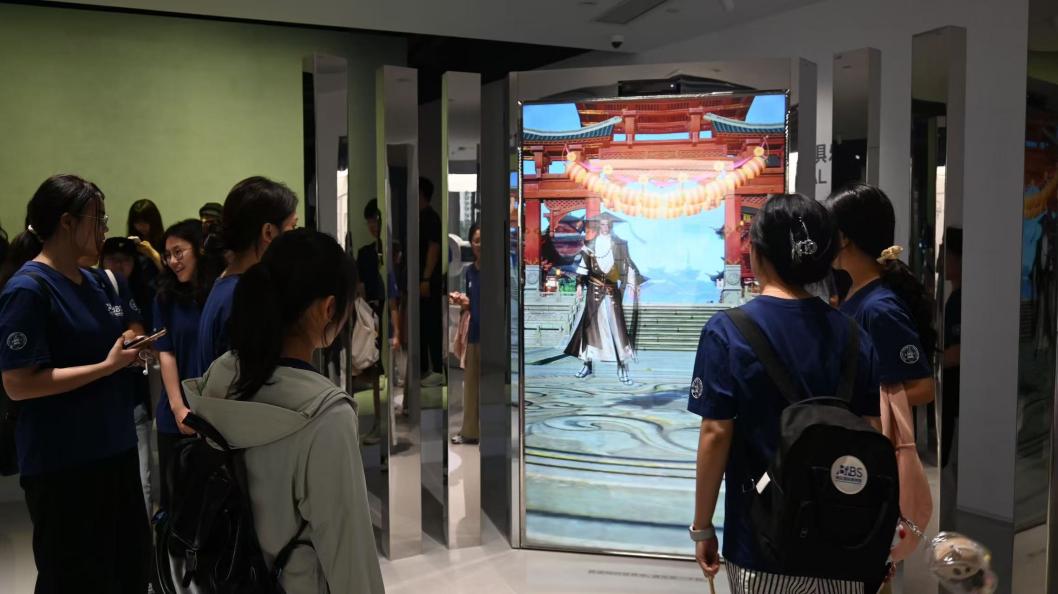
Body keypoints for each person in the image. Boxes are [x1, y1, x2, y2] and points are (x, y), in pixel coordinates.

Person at [689, 193, 881, 592]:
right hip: (843, 542)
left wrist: (702, 526)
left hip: (761, 542)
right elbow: (871, 431)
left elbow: (716, 433)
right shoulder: (854, 335)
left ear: (757, 253)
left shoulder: (727, 332)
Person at [183, 229, 384, 594]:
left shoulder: (220, 375)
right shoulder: (326, 415)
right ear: (328, 309)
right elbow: (350, 558)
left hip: (223, 578)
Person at [0, 174, 152, 593]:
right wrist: (106, 366)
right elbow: (18, 383)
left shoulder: (99, 282)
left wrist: (129, 348)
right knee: (74, 578)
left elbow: (112, 338)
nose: (104, 229)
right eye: (98, 219)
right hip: (64, 465)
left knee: (130, 570)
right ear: (67, 223)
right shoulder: (30, 289)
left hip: (116, 450)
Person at [826, 184, 936, 407]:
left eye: (827, 231)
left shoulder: (879, 308)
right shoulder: (859, 292)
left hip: (867, 428)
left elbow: (923, 388)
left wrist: (858, 401)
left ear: (843, 237)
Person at [193, 176, 298, 378]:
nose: (295, 237)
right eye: (292, 227)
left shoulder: (225, 285)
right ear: (268, 232)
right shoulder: (245, 296)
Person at [153, 219, 222, 510]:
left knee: (216, 507)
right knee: (178, 508)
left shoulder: (220, 292)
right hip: (177, 416)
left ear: (199, 249)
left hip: (218, 416)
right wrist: (178, 408)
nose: (173, 261)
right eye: (167, 255)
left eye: (179, 252)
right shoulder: (165, 297)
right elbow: (166, 353)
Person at [100, 236, 155, 514]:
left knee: (141, 480)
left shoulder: (142, 291)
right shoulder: (93, 287)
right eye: (113, 259)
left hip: (134, 397)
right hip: (98, 401)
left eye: (126, 260)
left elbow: (139, 335)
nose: (120, 265)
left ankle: (143, 538)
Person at [563, 212, 645, 384]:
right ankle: (587, 364)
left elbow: (628, 264)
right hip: (594, 291)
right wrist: (579, 285)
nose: (605, 227)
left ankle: (622, 368)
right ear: (598, 225)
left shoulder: (620, 244)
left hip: (612, 291)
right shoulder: (590, 245)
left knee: (617, 329)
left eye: (608, 225)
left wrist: (632, 284)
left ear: (611, 225)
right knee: (589, 328)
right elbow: (583, 267)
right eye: (602, 224)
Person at [451, 223, 481, 445]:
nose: (480, 244)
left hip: (491, 335)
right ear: (471, 243)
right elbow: (472, 303)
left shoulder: (496, 270)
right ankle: (470, 432)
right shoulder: (470, 271)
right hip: (474, 334)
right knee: (470, 386)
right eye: (477, 240)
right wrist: (464, 303)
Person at [418, 177, 444, 383]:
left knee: (431, 324)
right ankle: (424, 369)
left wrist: (426, 278)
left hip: (428, 281)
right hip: (421, 280)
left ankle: (436, 370)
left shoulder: (430, 218)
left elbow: (434, 248)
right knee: (422, 325)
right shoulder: (419, 217)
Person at [127, 199, 165, 333]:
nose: (141, 227)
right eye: (137, 222)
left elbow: (169, 274)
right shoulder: (132, 247)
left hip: (158, 300)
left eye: (145, 222)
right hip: (136, 302)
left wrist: (152, 253)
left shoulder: (164, 243)